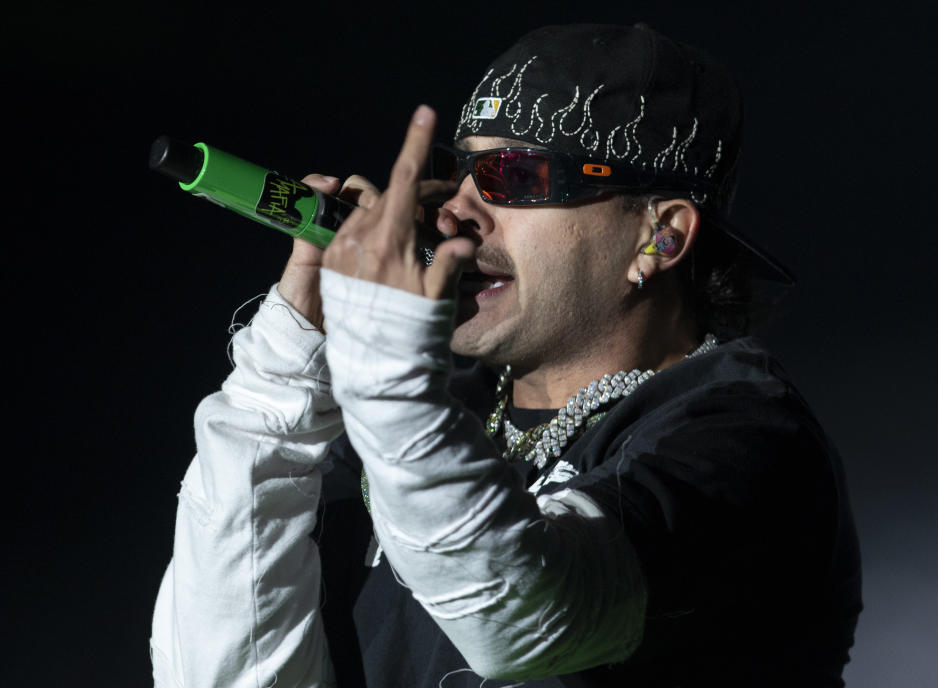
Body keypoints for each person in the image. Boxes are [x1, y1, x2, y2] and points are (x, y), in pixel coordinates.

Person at [150, 23, 862, 688]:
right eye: (461, 174)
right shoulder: (417, 420)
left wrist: (387, 368)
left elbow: (521, 622)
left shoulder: (744, 444)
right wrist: (286, 375)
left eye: (515, 178)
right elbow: (219, 673)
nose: (455, 212)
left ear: (660, 237)